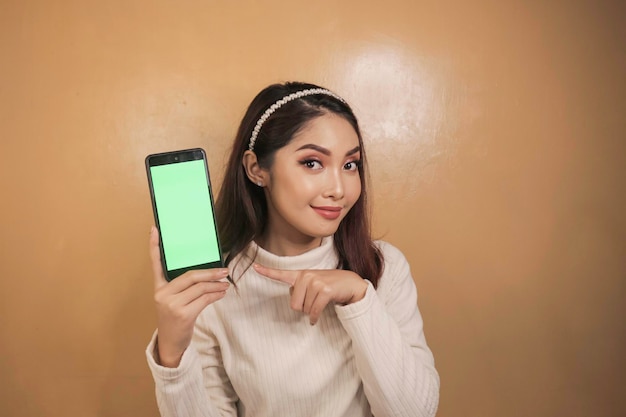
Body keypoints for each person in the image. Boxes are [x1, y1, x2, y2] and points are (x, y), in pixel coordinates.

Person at [145, 81, 440, 417]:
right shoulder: (213, 287)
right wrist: (172, 352)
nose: (339, 189)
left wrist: (359, 299)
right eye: (313, 163)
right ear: (257, 169)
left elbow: (417, 413)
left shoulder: (383, 266)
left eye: (350, 164)